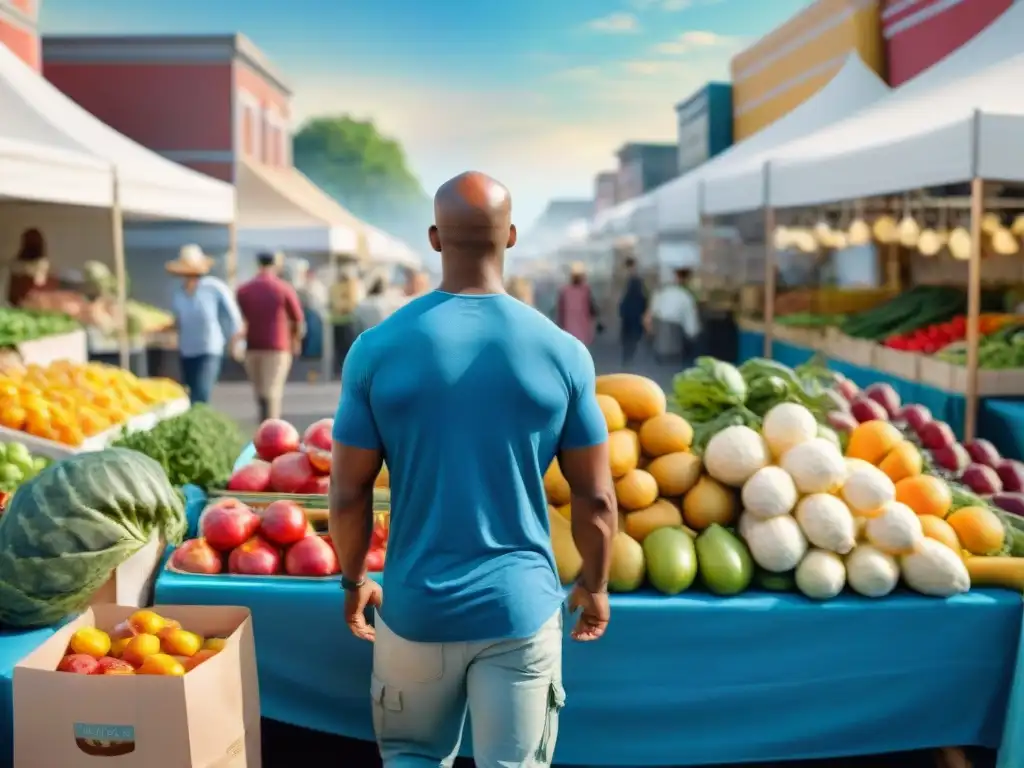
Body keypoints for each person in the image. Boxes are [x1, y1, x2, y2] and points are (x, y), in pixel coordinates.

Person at [328, 171, 616, 767]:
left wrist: (355, 581)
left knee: (411, 756)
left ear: (435, 239)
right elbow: (596, 500)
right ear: (510, 237)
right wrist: (596, 581)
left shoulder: (377, 349)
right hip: (521, 609)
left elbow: (349, 493)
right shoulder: (563, 352)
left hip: (414, 610)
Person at [167, 244, 243, 404]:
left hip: (208, 349)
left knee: (201, 394)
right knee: (189, 394)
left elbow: (233, 316)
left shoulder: (214, 288)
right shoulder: (179, 294)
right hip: (187, 350)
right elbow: (178, 321)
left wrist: (236, 342)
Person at [236, 252, 305, 422]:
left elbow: (239, 319)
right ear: (275, 265)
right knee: (272, 392)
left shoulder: (244, 290)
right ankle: (273, 434)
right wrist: (296, 340)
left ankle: (263, 429)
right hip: (278, 346)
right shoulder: (283, 288)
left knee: (260, 393)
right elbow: (297, 318)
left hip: (252, 345)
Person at [645, 268, 701, 363]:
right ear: (685, 280)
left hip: (658, 342)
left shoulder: (660, 293)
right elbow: (691, 325)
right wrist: (694, 335)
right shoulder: (685, 296)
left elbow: (649, 316)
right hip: (676, 345)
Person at [7, 229, 58, 306]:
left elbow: (41, 285)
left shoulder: (43, 264)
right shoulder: (17, 264)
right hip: (22, 303)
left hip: (35, 303)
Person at [556, 261, 598, 346]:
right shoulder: (585, 290)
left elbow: (560, 312)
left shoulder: (564, 291)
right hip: (582, 331)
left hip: (568, 330)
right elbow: (593, 310)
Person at [618, 257, 647, 367]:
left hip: (629, 311)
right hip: (634, 311)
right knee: (632, 336)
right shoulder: (637, 280)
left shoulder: (628, 281)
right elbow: (643, 297)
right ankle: (629, 357)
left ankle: (628, 357)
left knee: (629, 336)